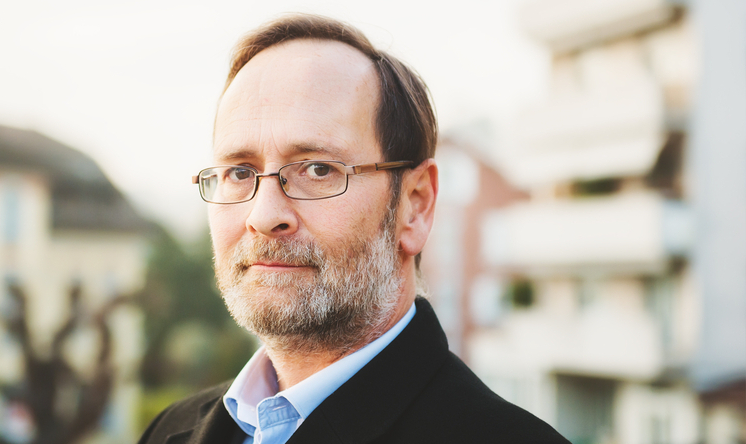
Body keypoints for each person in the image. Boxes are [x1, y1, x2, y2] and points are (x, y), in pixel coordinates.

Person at [139, 14, 568, 444]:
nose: (263, 215)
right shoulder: (168, 432)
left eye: (318, 168)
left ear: (415, 206)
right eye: (237, 172)